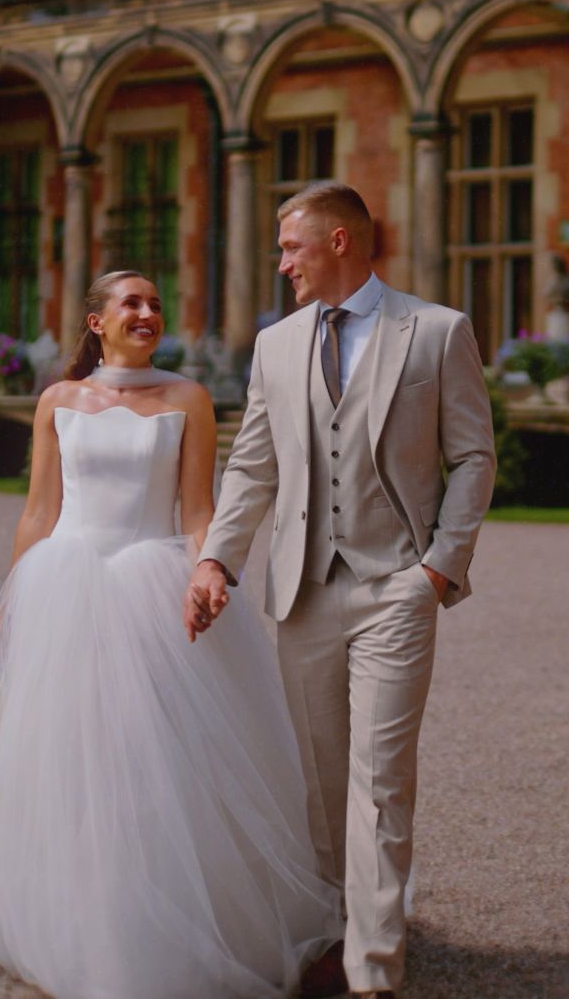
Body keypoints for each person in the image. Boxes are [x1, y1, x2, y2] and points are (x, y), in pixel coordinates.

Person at [0, 270, 343, 999]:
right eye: (132, 303)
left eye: (157, 302)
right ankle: (63, 913)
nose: (148, 312)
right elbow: (39, 510)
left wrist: (205, 573)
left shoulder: (188, 398)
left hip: (154, 586)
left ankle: (161, 916)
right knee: (59, 755)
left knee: (155, 757)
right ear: (96, 321)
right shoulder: (58, 400)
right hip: (64, 583)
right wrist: (10, 600)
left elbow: (198, 511)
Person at [187, 182, 497, 999]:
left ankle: (374, 971)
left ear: (338, 243)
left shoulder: (435, 331)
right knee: (320, 787)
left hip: (397, 585)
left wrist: (437, 567)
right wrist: (220, 561)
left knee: (381, 780)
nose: (281, 261)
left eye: (292, 246)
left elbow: (473, 457)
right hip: (301, 591)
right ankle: (332, 932)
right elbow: (253, 465)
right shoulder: (276, 346)